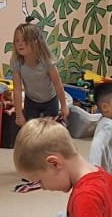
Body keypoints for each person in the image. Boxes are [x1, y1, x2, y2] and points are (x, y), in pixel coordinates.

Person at [34, 80, 112, 217]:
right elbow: (97, 146)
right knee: (90, 208)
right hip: (98, 178)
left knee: (101, 207)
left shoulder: (110, 125)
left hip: (104, 177)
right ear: (105, 107)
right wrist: (94, 175)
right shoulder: (108, 126)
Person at [9, 21, 69, 191]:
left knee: (50, 136)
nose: (20, 44)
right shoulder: (17, 63)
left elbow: (58, 85)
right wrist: (19, 114)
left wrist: (64, 106)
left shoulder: (46, 61)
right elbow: (17, 89)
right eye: (17, 41)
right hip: (31, 101)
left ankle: (54, 165)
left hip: (50, 100)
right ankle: (33, 168)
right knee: (31, 137)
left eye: (24, 40)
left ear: (35, 42)